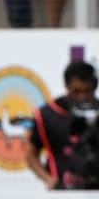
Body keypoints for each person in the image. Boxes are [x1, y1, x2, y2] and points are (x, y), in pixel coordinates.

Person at [27, 60, 99, 189]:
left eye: (87, 91)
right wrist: (48, 179)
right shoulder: (46, 115)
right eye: (76, 91)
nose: (82, 97)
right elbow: (31, 155)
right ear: (67, 87)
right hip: (61, 193)